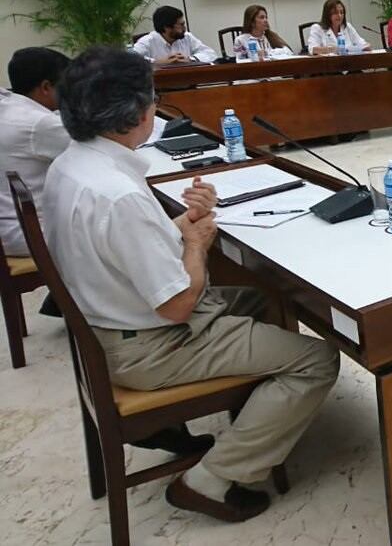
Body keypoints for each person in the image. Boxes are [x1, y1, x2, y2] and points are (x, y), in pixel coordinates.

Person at [43, 46, 339, 522]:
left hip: (111, 324)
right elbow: (179, 305)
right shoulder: (118, 195)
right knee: (318, 360)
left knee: (257, 298)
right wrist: (197, 244)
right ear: (136, 113)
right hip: (152, 345)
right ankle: (210, 480)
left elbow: (120, 250)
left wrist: (184, 223)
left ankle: (261, 417)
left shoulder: (72, 166)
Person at [0, 47, 71, 256]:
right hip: (32, 233)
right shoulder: (38, 123)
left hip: (8, 230)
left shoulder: (9, 108)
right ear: (46, 87)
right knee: (117, 224)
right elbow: (97, 149)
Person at [132, 6, 218, 64]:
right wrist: (158, 62)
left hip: (188, 83)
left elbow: (211, 54)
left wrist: (190, 59)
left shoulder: (187, 37)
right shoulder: (148, 41)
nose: (184, 28)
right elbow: (130, 59)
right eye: (181, 25)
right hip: (159, 85)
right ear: (166, 27)